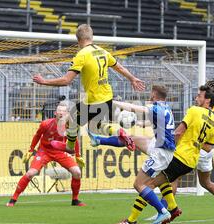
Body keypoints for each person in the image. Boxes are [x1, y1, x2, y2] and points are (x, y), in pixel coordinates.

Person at [33, 24, 145, 154]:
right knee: (95, 125)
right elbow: (120, 68)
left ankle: (70, 147)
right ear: (91, 37)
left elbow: (66, 80)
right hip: (107, 97)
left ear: (78, 40)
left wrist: (44, 81)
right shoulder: (103, 51)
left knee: (70, 121)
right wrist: (132, 78)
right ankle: (118, 132)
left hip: (93, 100)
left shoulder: (82, 55)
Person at [88, 85, 178, 224]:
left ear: (154, 95)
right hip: (160, 146)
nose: (149, 96)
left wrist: (114, 103)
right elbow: (151, 121)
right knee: (131, 138)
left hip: (161, 152)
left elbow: (137, 109)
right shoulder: (165, 107)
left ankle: (162, 211)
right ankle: (98, 140)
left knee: (139, 184)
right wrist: (139, 123)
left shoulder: (156, 108)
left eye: (150, 94)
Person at [146, 92, 214, 222]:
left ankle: (163, 211)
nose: (197, 97)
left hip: (194, 147)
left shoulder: (209, 105)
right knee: (206, 182)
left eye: (199, 95)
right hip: (204, 148)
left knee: (170, 179)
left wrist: (197, 136)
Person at [6, 101, 86, 207]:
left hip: (60, 152)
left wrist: (78, 155)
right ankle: (13, 199)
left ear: (67, 114)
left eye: (64, 111)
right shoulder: (46, 124)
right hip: (44, 151)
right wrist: (31, 150)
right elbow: (37, 136)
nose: (61, 113)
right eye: (59, 111)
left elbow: (74, 140)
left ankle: (75, 200)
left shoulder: (70, 126)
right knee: (31, 173)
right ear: (55, 113)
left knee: (77, 172)